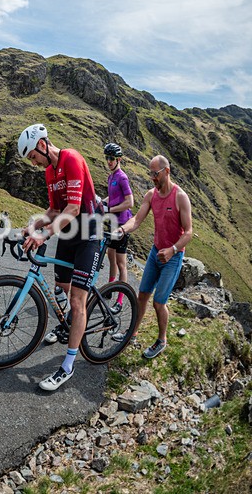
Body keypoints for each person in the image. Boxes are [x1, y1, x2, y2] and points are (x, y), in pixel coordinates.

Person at [18, 123, 102, 391]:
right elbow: (55, 209)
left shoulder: (72, 159)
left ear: (42, 145)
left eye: (33, 156)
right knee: (61, 288)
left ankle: (67, 366)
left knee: (77, 302)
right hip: (68, 233)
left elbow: (74, 208)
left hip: (88, 232)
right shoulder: (50, 172)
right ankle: (74, 321)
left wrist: (45, 235)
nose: (34, 163)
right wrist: (34, 225)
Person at [111, 155, 192, 359]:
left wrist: (173, 249)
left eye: (155, 174)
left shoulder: (180, 197)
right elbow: (137, 220)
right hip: (155, 253)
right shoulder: (151, 195)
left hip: (172, 257)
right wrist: (121, 230)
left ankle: (161, 340)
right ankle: (132, 334)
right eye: (150, 174)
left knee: (159, 302)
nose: (152, 178)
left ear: (166, 171)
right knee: (142, 296)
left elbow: (189, 232)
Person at [102, 143, 134, 314]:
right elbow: (113, 196)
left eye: (111, 158)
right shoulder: (111, 176)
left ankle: (120, 300)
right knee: (110, 257)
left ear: (119, 159)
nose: (108, 161)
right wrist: (103, 202)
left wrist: (109, 209)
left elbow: (130, 202)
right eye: (106, 158)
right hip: (113, 223)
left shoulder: (122, 177)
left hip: (122, 224)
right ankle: (110, 289)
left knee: (121, 263)